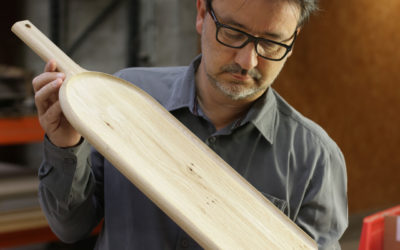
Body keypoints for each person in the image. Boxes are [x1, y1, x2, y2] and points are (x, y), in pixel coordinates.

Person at [33, 0, 348, 249]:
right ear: (201, 13)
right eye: (234, 33)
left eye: (271, 43)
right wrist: (65, 143)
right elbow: (70, 228)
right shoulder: (128, 98)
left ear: (292, 42)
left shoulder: (315, 158)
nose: (247, 61)